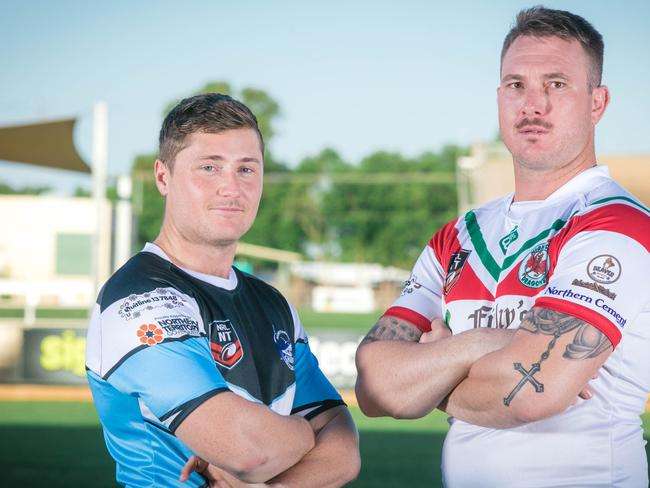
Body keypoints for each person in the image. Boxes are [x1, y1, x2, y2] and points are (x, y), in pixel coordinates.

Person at [355, 6, 649, 487]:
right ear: (499, 97)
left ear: (597, 103)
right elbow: (374, 387)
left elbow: (534, 390)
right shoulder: (457, 236)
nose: (533, 104)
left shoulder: (618, 223)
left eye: (556, 84)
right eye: (517, 85)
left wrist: (429, 379)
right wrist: (484, 344)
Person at [86, 93, 360, 487]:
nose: (231, 188)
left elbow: (343, 448)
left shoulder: (273, 303)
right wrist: (304, 432)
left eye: (246, 169)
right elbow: (249, 451)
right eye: (209, 167)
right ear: (163, 177)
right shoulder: (138, 298)